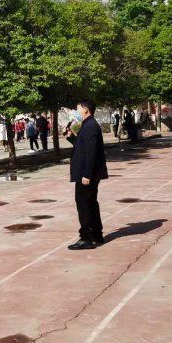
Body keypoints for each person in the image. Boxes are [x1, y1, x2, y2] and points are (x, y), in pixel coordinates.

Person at [64, 99, 108, 250]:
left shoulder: (90, 125)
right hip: (87, 172)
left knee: (83, 204)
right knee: (91, 203)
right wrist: (71, 136)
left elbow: (91, 152)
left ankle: (86, 238)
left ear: (85, 109)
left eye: (78, 109)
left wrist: (87, 174)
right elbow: (83, 146)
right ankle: (96, 234)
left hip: (86, 174)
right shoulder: (88, 125)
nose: (76, 111)